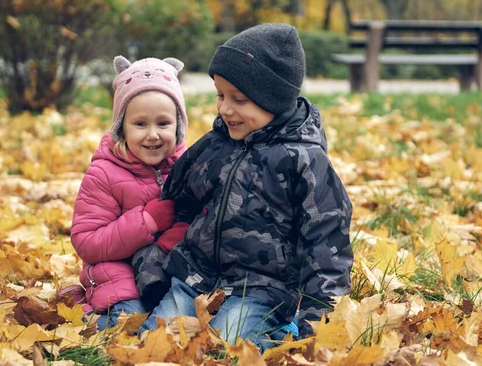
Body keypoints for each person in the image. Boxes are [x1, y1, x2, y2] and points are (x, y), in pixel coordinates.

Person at [138, 23, 353, 350]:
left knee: (230, 347)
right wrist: (156, 262)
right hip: (194, 281)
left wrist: (317, 327)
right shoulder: (213, 146)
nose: (225, 109)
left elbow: (326, 245)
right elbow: (175, 204)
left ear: (275, 100)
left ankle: (285, 332)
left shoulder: (303, 162)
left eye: (238, 99)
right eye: (220, 95)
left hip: (260, 290)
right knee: (155, 343)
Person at [68, 55, 189, 330]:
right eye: (140, 124)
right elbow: (86, 240)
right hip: (117, 275)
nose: (153, 135)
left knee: (180, 319)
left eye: (163, 123)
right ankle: (88, 315)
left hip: (169, 270)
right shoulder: (105, 174)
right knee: (131, 323)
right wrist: (145, 222)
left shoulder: (187, 167)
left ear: (178, 127)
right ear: (122, 127)